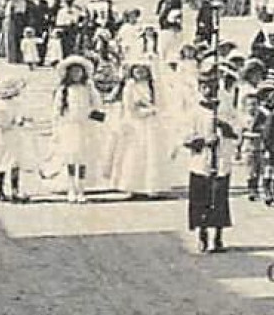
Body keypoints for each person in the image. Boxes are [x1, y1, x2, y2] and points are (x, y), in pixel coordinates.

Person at [183, 77, 237, 254]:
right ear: (200, 88)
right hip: (201, 162)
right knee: (201, 200)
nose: (209, 90)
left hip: (221, 160)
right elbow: (186, 138)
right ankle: (203, 235)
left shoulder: (225, 107)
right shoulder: (194, 111)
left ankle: (218, 237)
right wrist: (205, 141)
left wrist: (224, 126)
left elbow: (237, 130)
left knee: (219, 198)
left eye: (212, 87)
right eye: (205, 87)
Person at [111, 63, 174, 198]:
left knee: (151, 153)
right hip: (136, 124)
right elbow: (128, 107)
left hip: (152, 124)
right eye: (137, 69)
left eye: (143, 69)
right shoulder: (130, 86)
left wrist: (153, 110)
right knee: (134, 154)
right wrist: (141, 111)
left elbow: (162, 103)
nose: (140, 72)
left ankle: (152, 187)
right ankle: (132, 187)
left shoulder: (154, 86)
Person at [51, 55, 100, 203]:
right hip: (69, 127)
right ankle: (71, 187)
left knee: (83, 158)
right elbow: (56, 111)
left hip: (85, 126)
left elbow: (97, 105)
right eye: (73, 72)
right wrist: (56, 129)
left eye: (79, 72)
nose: (76, 75)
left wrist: (94, 115)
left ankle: (81, 188)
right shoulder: (64, 90)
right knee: (71, 157)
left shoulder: (88, 88)